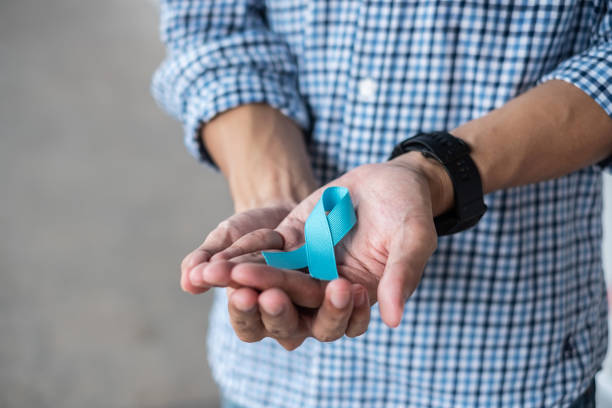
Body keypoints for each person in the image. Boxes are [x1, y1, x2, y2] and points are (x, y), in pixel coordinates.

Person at [151, 1, 612, 407]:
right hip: (274, 381)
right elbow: (211, 26)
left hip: (505, 367)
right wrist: (278, 191)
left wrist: (432, 174)